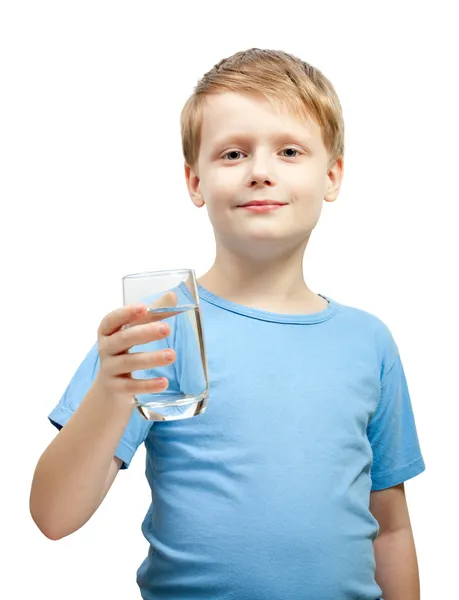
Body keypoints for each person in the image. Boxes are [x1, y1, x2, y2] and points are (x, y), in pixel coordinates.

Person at [30, 48, 425, 599]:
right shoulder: (155, 331)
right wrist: (109, 393)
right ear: (195, 181)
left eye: (289, 151)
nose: (261, 172)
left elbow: (392, 525)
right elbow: (53, 516)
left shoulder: (369, 341)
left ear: (332, 176)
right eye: (234, 153)